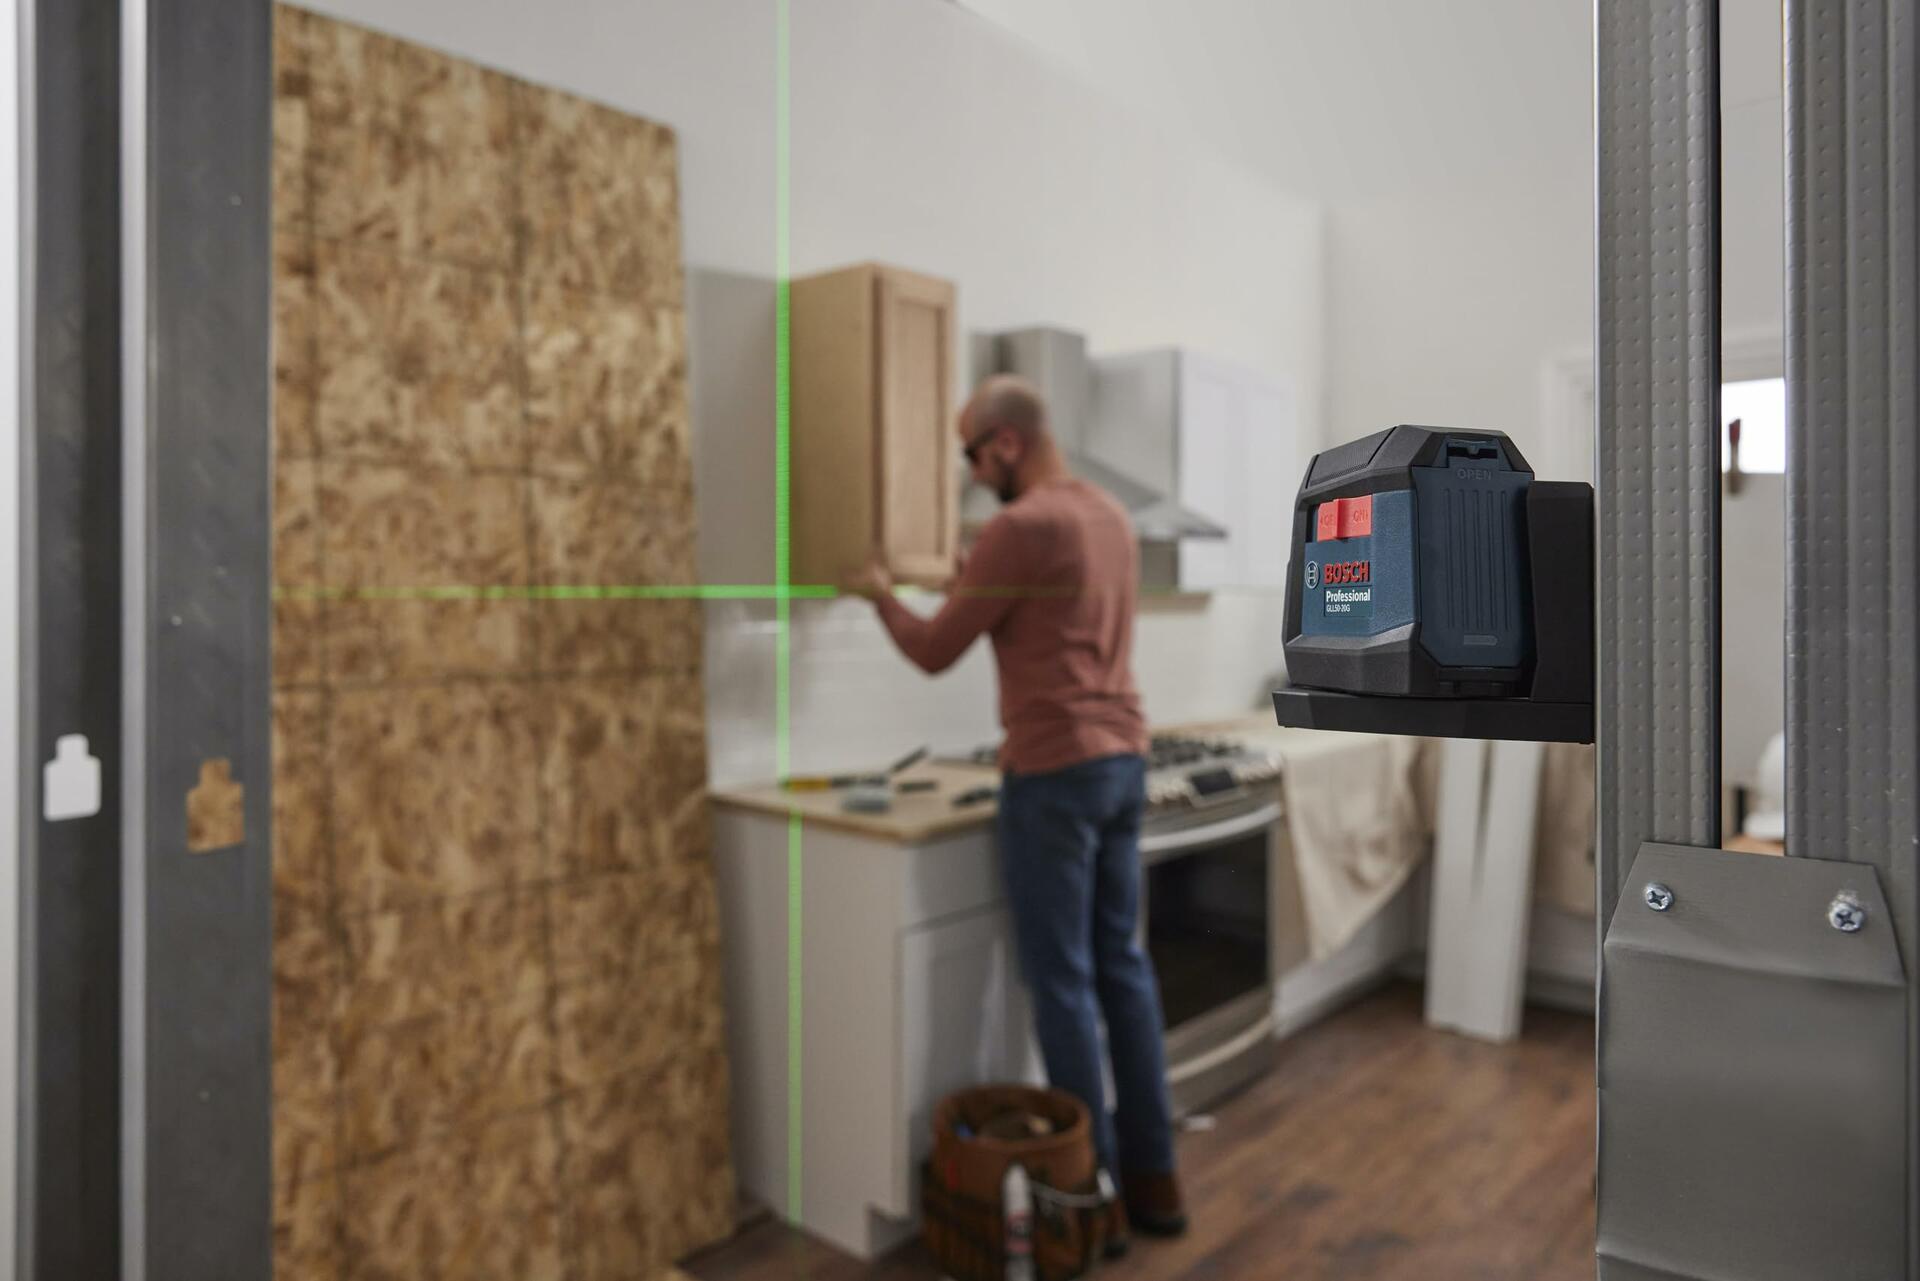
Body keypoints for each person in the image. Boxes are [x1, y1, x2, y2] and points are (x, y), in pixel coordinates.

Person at [846, 375, 1186, 1249]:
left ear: (1005, 443)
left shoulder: (1021, 527)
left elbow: (934, 649)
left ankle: (1092, 1204)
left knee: (1065, 985)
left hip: (1056, 772)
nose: (970, 471)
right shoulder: (1107, 514)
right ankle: (1155, 1183)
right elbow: (1037, 604)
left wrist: (878, 589)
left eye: (971, 452)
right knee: (1124, 969)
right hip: (1123, 759)